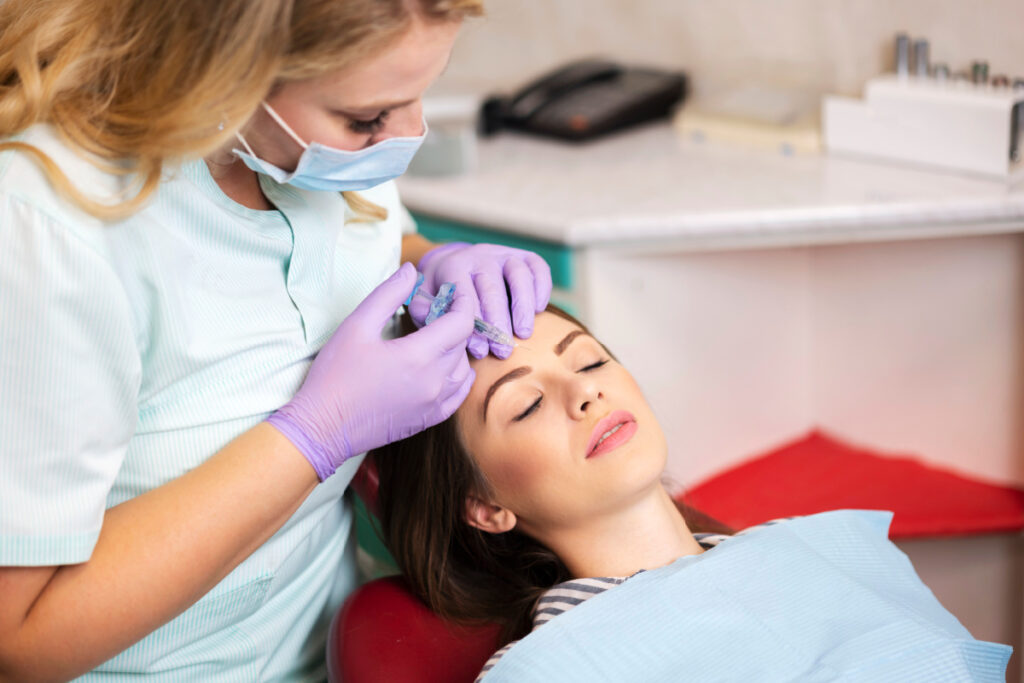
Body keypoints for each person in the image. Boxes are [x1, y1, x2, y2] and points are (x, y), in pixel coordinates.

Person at [0, 1, 553, 681]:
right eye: (368, 119)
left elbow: (368, 240)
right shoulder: (44, 227)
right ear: (221, 72)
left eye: (419, 98)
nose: (406, 135)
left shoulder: (296, 145)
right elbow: (18, 641)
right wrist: (313, 435)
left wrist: (431, 260)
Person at [372, 307, 1013, 682]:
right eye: (528, 403)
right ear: (485, 508)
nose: (586, 393)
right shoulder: (549, 670)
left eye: (590, 362)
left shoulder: (831, 547)